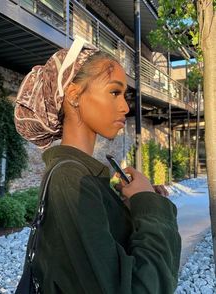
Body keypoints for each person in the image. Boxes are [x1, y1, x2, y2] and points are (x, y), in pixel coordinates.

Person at [14, 36, 181, 294]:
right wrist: (151, 210)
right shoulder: (70, 179)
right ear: (74, 95)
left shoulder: (80, 175)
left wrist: (134, 205)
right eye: (114, 92)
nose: (125, 106)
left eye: (124, 95)